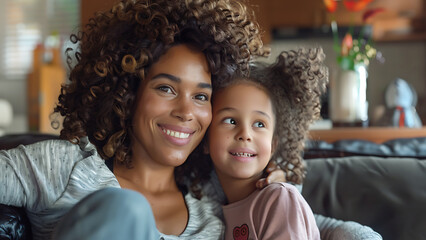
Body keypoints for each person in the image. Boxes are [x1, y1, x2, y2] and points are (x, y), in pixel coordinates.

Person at [0, 0, 271, 239]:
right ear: (128, 93)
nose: (186, 112)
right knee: (127, 208)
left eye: (201, 96)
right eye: (166, 88)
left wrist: (278, 185)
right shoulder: (65, 167)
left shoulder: (215, 195)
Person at [200, 48, 325, 239]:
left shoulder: (279, 199)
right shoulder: (213, 210)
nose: (245, 134)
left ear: (273, 145)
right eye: (230, 121)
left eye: (259, 124)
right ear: (205, 140)